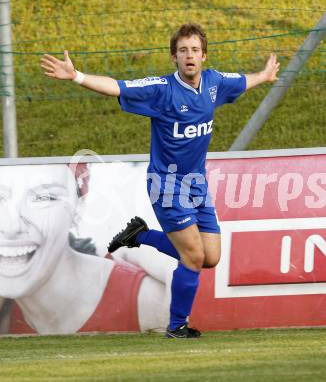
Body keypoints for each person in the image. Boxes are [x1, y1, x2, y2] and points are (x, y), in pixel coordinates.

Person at [41, 23, 280, 338]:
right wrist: (77, 77)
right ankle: (177, 325)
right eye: (183, 51)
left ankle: (142, 236)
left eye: (194, 50)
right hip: (166, 184)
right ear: (174, 58)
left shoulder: (214, 83)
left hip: (197, 183)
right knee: (193, 256)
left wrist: (263, 77)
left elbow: (240, 81)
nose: (189, 55)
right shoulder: (161, 89)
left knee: (211, 257)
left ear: (204, 56)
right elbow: (118, 86)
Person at [0, 163, 176, 334]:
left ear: (78, 207)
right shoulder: (9, 305)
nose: (11, 226)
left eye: (44, 198)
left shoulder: (146, 301)